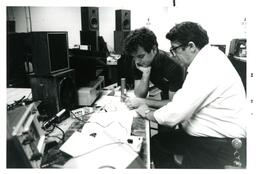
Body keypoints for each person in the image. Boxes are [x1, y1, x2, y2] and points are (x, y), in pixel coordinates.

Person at [135, 22, 247, 168]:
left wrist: (147, 112)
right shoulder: (209, 58)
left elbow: (174, 114)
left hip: (220, 145)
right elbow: (181, 100)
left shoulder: (206, 66)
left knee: (158, 146)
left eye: (175, 49)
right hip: (211, 138)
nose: (174, 55)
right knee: (158, 143)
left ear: (191, 46)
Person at [123, 27, 185, 109]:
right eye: (134, 57)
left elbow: (174, 105)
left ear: (154, 49)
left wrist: (144, 102)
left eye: (141, 56)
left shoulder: (173, 66)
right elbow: (139, 95)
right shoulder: (138, 62)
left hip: (184, 102)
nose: (137, 61)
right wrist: (146, 74)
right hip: (166, 95)